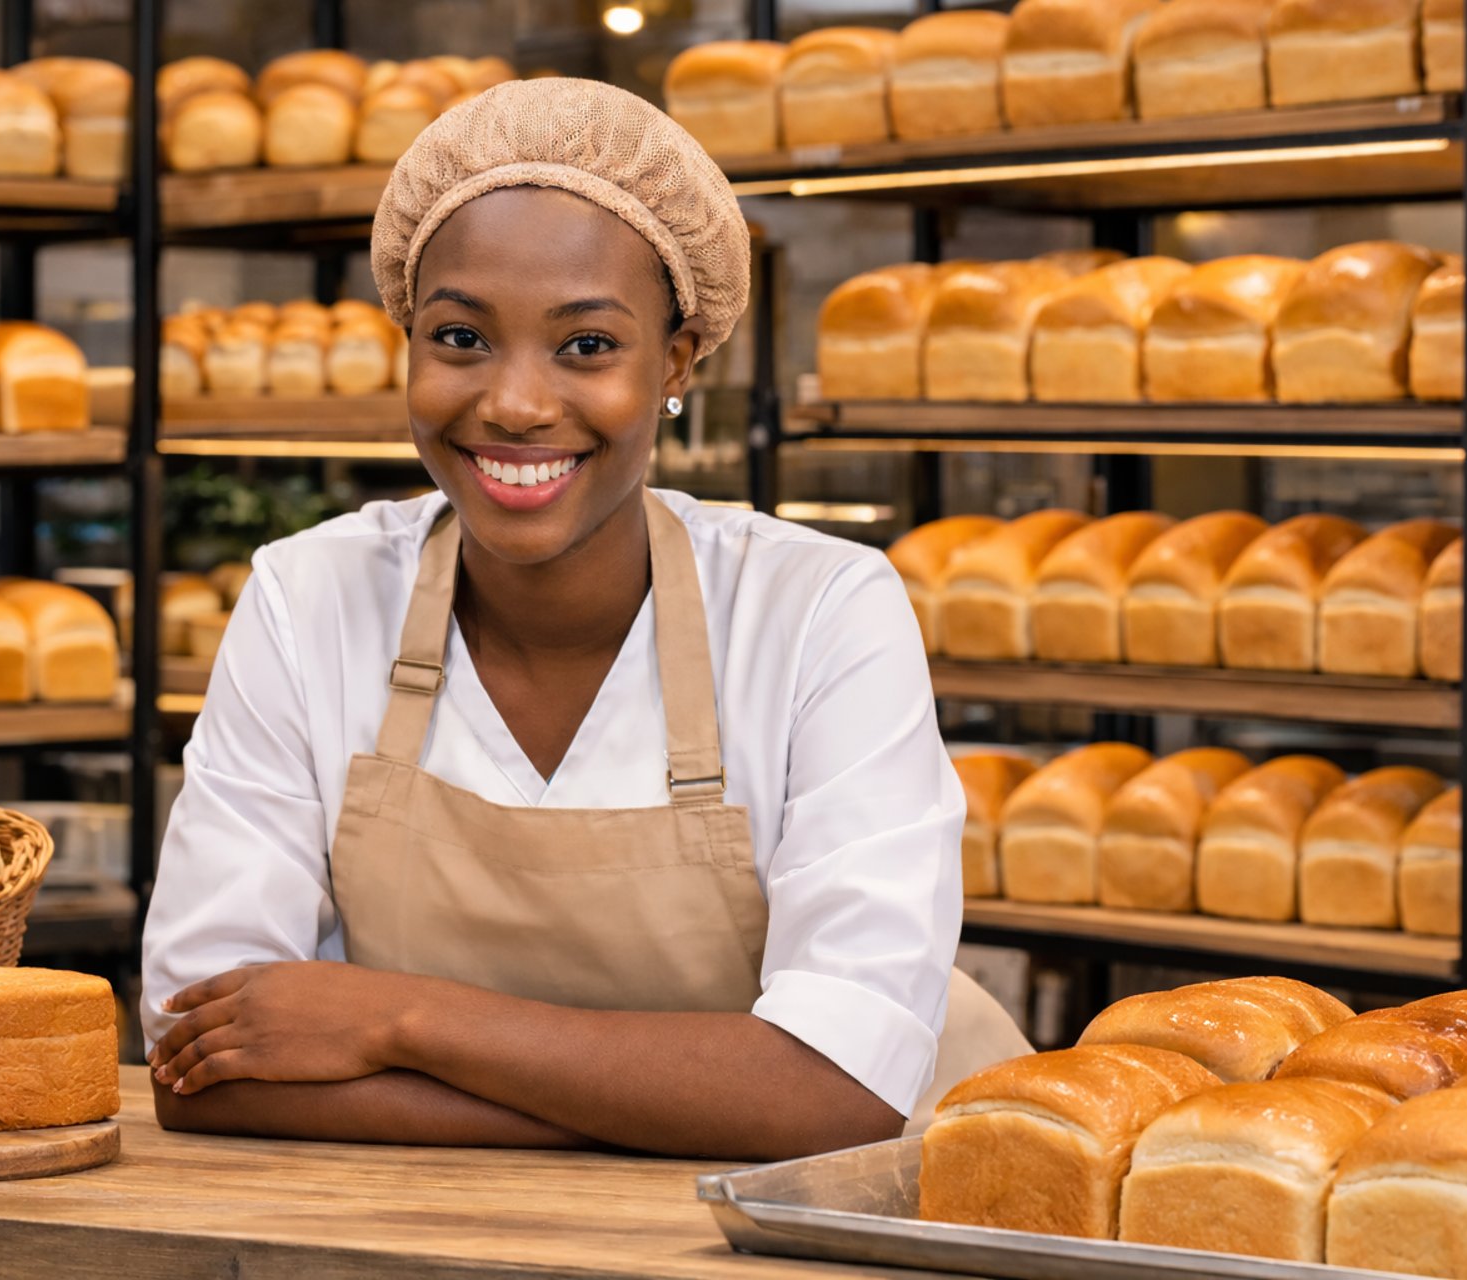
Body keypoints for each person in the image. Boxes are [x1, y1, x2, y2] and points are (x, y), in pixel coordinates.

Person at [142, 77, 1026, 1161]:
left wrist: (399, 1019)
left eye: (587, 345)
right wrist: (685, 1094)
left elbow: (837, 1091)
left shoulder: (819, 612)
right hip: (423, 1237)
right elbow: (200, 1064)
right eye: (459, 335)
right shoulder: (307, 598)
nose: (514, 401)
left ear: (679, 361)